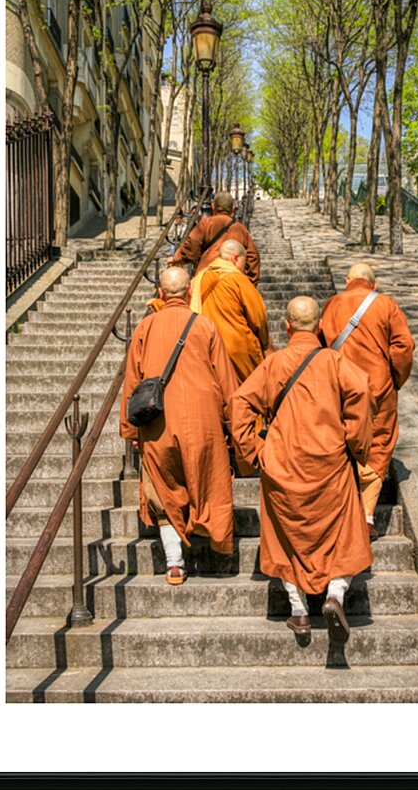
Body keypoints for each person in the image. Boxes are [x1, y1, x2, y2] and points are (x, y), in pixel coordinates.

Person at [230, 296, 375, 647]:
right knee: (344, 531)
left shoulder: (273, 363)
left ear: (287, 325)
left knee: (285, 538)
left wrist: (257, 451)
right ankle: (335, 595)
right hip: (330, 462)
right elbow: (362, 392)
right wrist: (356, 446)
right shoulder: (335, 361)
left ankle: (298, 611)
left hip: (282, 464)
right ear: (320, 324)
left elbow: (239, 404)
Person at [120, 266, 238, 585]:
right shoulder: (206, 326)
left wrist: (132, 430)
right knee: (209, 481)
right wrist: (235, 427)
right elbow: (227, 383)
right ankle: (215, 545)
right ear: (189, 294)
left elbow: (132, 381)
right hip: (204, 422)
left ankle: (175, 563)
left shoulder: (145, 327)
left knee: (161, 489)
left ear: (160, 294)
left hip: (158, 422)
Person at [319, 262, 415, 540]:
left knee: (341, 441)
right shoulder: (386, 304)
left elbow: (321, 342)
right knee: (379, 443)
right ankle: (367, 516)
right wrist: (396, 377)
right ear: (374, 284)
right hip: (378, 387)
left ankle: (338, 510)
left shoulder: (331, 304)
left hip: (339, 387)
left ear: (347, 280)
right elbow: (403, 346)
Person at [190, 238, 271, 383]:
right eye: (244, 264)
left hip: (209, 350)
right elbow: (258, 318)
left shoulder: (199, 279)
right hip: (239, 350)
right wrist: (264, 343)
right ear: (235, 258)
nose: (244, 269)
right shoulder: (238, 280)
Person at [166, 190, 261, 285]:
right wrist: (248, 283)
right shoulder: (241, 229)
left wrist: (176, 258)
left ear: (213, 207)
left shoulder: (205, 224)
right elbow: (253, 257)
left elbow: (191, 247)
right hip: (232, 280)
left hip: (207, 279)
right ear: (232, 209)